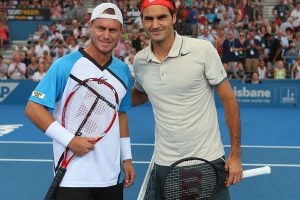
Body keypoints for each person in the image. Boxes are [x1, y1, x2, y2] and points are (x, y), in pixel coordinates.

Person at [132, 0, 242, 199]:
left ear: (173, 17)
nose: (155, 24)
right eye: (149, 18)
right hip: (165, 163)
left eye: (161, 17)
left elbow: (229, 100)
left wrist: (235, 154)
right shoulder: (140, 61)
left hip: (207, 159)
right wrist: (110, 99)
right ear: (142, 21)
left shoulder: (203, 50)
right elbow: (141, 93)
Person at [24, 3, 135, 200]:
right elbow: (33, 109)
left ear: (120, 33)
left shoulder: (123, 70)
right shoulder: (65, 65)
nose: (106, 35)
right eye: (101, 28)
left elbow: (120, 115)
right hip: (72, 177)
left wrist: (127, 159)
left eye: (112, 30)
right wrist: (71, 141)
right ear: (90, 27)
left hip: (110, 176)